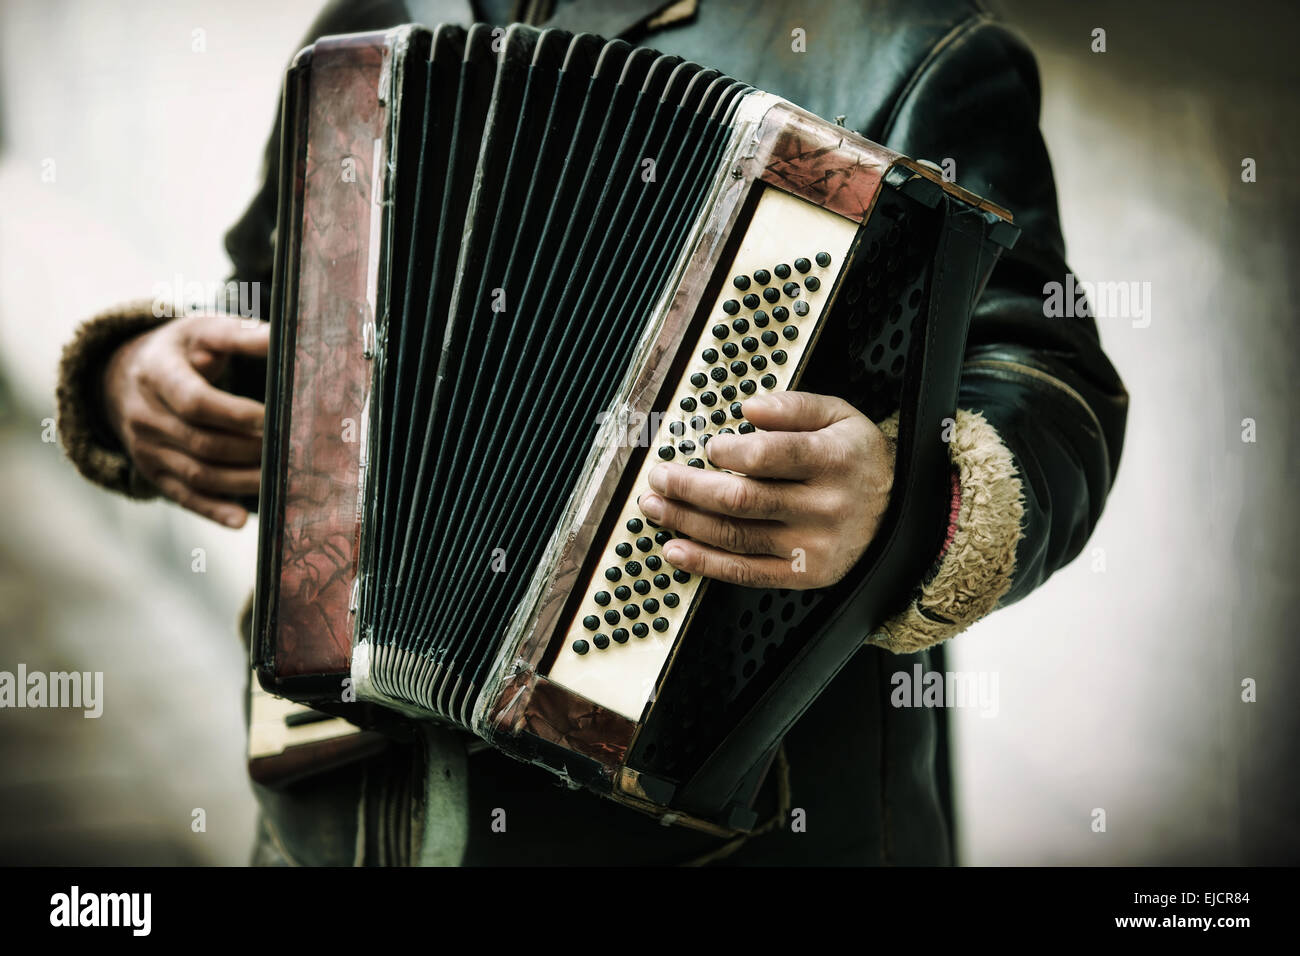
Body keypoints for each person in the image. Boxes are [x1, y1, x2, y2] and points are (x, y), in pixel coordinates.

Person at [56, 0, 1128, 865]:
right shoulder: (387, 16)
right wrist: (136, 374)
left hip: (726, 831)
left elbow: (1051, 379)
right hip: (346, 815)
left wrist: (907, 491)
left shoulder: (917, 51)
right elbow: (266, 305)